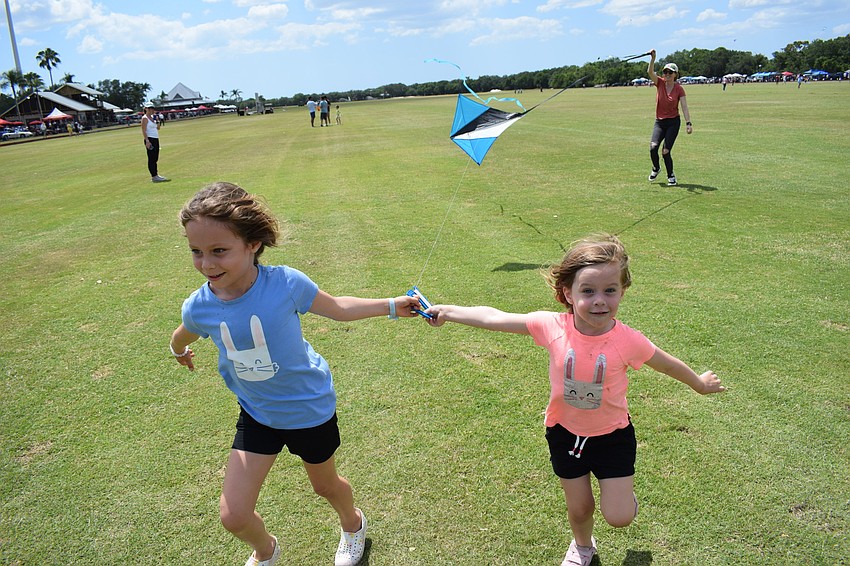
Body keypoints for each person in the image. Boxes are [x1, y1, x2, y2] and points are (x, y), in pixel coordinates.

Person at [422, 234, 725, 566]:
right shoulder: (551, 326)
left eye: (610, 290)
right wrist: (448, 312)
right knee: (579, 507)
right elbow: (494, 318)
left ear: (622, 291)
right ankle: (583, 547)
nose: (600, 301)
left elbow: (665, 363)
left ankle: (623, 498)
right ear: (568, 293)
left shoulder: (627, 340)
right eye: (588, 291)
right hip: (566, 433)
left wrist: (698, 383)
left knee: (620, 516)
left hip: (613, 437)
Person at [169, 182, 421, 566]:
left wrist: (390, 305)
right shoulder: (199, 306)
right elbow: (184, 331)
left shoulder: (285, 284)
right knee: (233, 515)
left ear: (252, 244)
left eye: (219, 251)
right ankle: (265, 550)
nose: (207, 264)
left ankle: (353, 525)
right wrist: (178, 350)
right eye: (196, 252)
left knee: (325, 487)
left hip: (308, 410)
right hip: (257, 414)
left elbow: (337, 307)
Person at [647, 50, 692, 187]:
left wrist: (688, 123)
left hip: (673, 122)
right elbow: (650, 72)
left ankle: (670, 175)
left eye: (670, 72)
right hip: (660, 122)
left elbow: (684, 107)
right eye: (665, 72)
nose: (666, 74)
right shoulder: (659, 83)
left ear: (675, 75)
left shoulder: (679, 89)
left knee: (666, 151)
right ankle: (656, 168)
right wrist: (653, 59)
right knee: (653, 147)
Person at [142, 103, 169, 183]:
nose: (152, 110)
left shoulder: (153, 117)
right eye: (150, 108)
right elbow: (143, 130)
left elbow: (158, 128)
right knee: (151, 158)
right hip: (150, 139)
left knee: (155, 157)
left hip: (155, 138)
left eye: (152, 108)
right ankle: (154, 176)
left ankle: (156, 174)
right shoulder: (145, 118)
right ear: (146, 109)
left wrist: (157, 121)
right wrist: (147, 141)